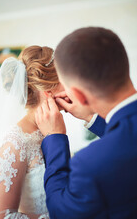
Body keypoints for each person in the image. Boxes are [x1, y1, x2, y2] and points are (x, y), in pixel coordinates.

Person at [35, 27, 137, 219]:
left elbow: (61, 212)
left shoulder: (90, 164)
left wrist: (55, 139)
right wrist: (92, 118)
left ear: (79, 95)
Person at [0, 45, 64, 219]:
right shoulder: (15, 142)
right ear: (48, 90)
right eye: (66, 80)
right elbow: (3, 216)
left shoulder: (52, 130)